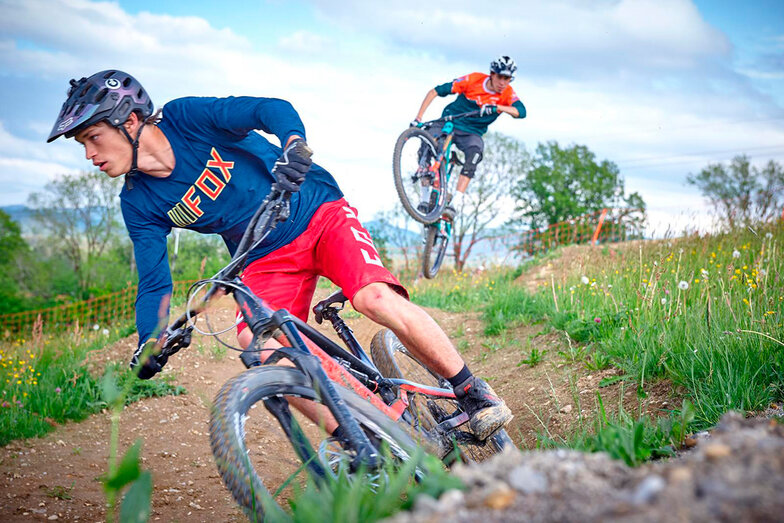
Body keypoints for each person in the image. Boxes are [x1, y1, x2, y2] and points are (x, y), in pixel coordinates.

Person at [46, 69, 512, 441]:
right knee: (262, 349)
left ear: (128, 121)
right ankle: (363, 443)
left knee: (373, 298)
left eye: (91, 138)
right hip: (265, 257)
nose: (89, 154)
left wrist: (293, 144)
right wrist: (150, 340)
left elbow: (271, 109)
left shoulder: (186, 119)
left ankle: (473, 392)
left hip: (315, 208)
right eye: (82, 144)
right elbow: (154, 282)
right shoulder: (137, 201)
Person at [412, 55, 526, 219]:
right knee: (427, 144)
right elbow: (435, 91)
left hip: (472, 132)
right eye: (500, 77)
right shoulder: (473, 80)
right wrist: (418, 118)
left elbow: (521, 112)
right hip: (450, 120)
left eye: (507, 78)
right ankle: (424, 196)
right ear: (492, 74)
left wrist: (498, 107)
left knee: (475, 153)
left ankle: (455, 204)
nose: (503, 82)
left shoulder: (507, 93)